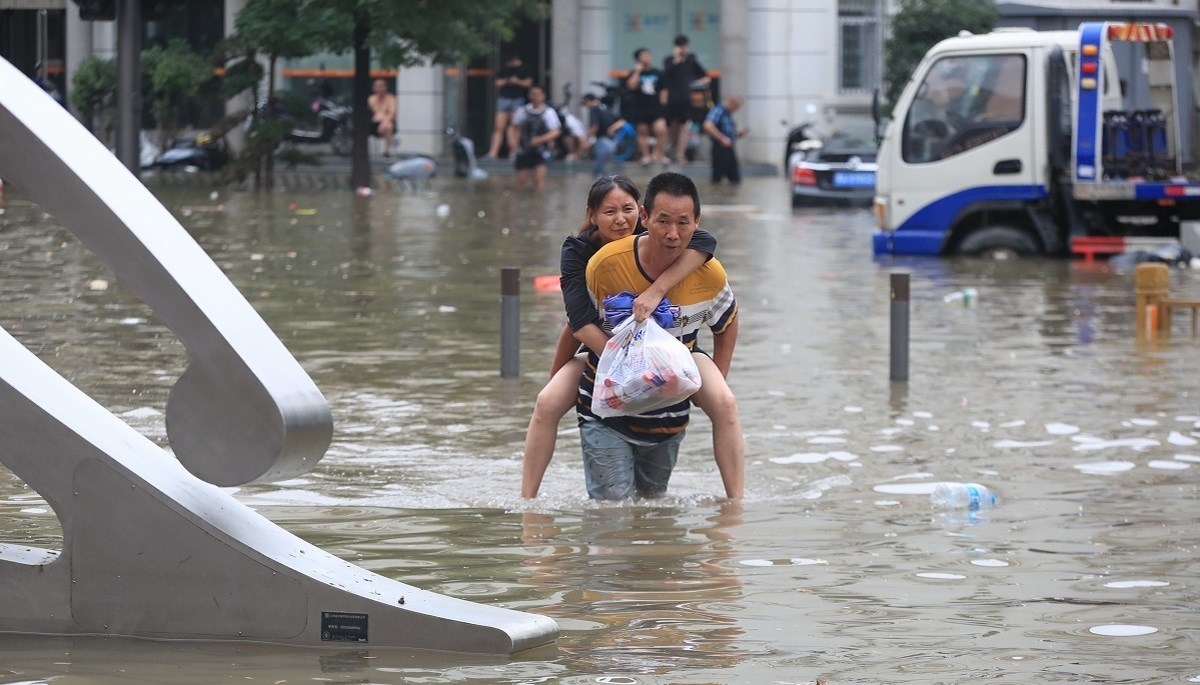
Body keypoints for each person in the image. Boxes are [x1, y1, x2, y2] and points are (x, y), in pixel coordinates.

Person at [521, 174, 744, 500]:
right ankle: (528, 501)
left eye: (626, 209)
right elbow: (577, 323)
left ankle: (735, 504)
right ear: (592, 215)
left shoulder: (672, 241)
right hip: (604, 347)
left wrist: (657, 290)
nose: (620, 220)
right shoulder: (586, 256)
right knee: (547, 401)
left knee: (724, 402)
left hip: (677, 348)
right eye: (609, 212)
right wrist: (625, 361)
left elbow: (705, 243)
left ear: (639, 213)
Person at [662, 35, 710, 165]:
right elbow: (666, 74)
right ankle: (669, 150)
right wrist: (677, 59)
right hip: (672, 99)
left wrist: (695, 83)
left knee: (684, 127)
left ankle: (680, 155)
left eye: (684, 46)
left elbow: (705, 76)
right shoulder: (669, 60)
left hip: (686, 99)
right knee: (670, 126)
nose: (683, 49)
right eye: (680, 46)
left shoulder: (691, 60)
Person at [510, 85, 561, 191]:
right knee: (520, 183)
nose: (535, 97)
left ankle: (539, 204)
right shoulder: (522, 111)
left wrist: (540, 139)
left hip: (540, 151)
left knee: (539, 182)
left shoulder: (549, 112)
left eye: (537, 94)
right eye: (533, 94)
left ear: (543, 96)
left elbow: (555, 131)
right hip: (523, 149)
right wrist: (513, 142)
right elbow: (514, 127)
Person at [625, 48, 668, 166]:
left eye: (648, 55)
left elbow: (664, 90)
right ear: (638, 59)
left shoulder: (657, 72)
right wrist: (637, 72)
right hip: (640, 107)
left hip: (655, 106)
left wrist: (663, 104)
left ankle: (660, 154)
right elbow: (631, 86)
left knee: (661, 129)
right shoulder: (633, 72)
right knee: (642, 132)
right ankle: (646, 155)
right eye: (644, 56)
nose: (647, 58)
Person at [487, 54, 533, 159]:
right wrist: (507, 81)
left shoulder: (524, 69)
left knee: (514, 126)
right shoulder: (504, 69)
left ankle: (514, 150)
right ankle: (493, 153)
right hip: (504, 98)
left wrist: (517, 81)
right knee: (499, 127)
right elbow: (497, 82)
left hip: (518, 99)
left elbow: (529, 83)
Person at [580, 92, 627, 176]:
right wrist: (612, 129)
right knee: (606, 167)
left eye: (585, 103)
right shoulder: (605, 107)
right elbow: (621, 121)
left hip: (602, 140)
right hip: (611, 141)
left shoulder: (594, 109)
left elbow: (594, 126)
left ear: (588, 101)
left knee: (599, 170)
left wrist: (590, 139)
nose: (586, 106)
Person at [702, 95, 746, 185]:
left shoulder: (727, 114)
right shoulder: (718, 110)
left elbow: (727, 132)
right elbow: (708, 125)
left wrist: (737, 134)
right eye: (736, 107)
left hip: (729, 148)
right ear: (731, 103)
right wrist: (722, 139)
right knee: (717, 177)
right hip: (720, 148)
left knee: (734, 178)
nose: (736, 110)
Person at [367, 78, 397, 154]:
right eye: (377, 86)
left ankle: (387, 151)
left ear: (385, 87)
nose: (379, 88)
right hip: (373, 123)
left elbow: (392, 113)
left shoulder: (391, 98)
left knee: (388, 126)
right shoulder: (371, 99)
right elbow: (374, 113)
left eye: (381, 86)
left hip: (387, 123)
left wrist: (384, 122)